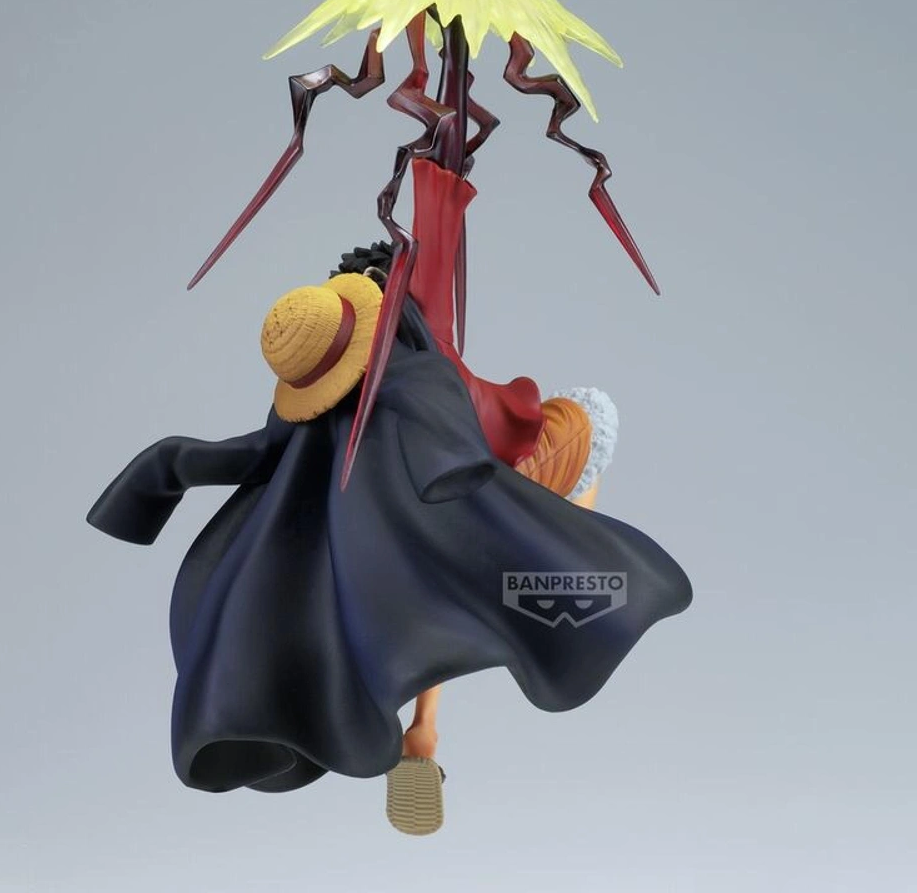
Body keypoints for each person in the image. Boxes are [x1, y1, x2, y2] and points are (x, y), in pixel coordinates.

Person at [87, 250, 691, 834]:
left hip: (370, 570)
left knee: (427, 617)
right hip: (450, 514)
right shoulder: (413, 371)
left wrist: (163, 472)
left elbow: (222, 457)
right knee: (587, 426)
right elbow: (474, 415)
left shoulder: (304, 419)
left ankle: (423, 732)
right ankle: (559, 574)